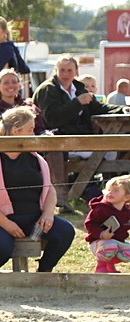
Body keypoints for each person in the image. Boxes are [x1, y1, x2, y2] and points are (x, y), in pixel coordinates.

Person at [0, 106, 75, 272]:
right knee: (1, 248)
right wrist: (7, 224)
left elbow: (49, 189)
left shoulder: (36, 158)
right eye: (31, 130)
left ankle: (43, 273)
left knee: (65, 231)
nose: (34, 134)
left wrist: (47, 214)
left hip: (32, 218)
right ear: (16, 131)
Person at [32, 55, 119, 208]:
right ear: (56, 71)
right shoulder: (48, 89)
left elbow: (100, 108)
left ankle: (113, 194)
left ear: (76, 72)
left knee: (117, 147)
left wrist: (123, 109)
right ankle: (64, 197)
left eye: (69, 70)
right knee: (108, 149)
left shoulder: (78, 88)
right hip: (58, 140)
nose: (65, 74)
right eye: (62, 70)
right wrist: (77, 103)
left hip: (82, 139)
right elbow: (52, 118)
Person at [83, 175, 130, 273]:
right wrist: (102, 234)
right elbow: (89, 223)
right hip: (99, 244)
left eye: (116, 190)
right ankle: (101, 267)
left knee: (123, 249)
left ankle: (110, 266)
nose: (110, 193)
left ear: (127, 197)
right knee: (110, 245)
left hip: (117, 243)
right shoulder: (101, 208)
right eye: (108, 190)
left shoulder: (127, 211)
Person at [0, 69, 46, 136]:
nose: (11, 85)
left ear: (19, 85)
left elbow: (40, 131)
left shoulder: (30, 108)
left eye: (14, 82)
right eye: (6, 83)